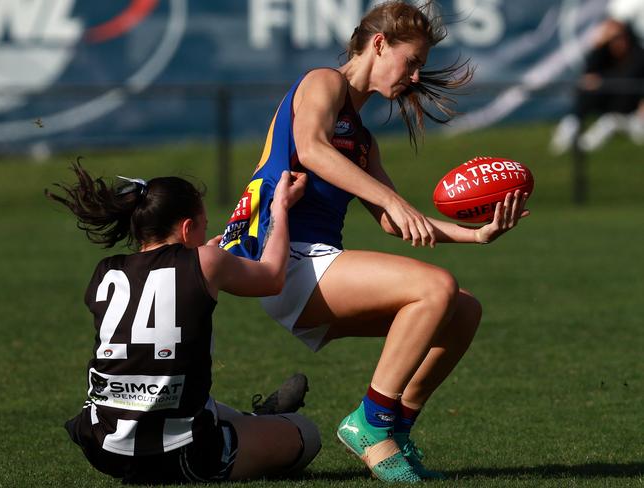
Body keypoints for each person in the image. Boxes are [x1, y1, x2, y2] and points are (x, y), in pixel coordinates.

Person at [219, 1, 530, 483]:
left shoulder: (362, 138)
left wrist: (477, 235)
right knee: (435, 288)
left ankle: (396, 431)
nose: (415, 75)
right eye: (412, 61)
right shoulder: (324, 81)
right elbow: (312, 149)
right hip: (284, 261)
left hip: (316, 263)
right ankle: (370, 423)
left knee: (463, 310)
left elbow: (392, 220)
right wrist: (392, 198)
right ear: (380, 45)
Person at [47, 163, 320, 484]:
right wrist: (280, 207)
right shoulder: (207, 261)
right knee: (306, 433)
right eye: (204, 226)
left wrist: (202, 257)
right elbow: (273, 277)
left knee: (187, 400)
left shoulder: (105, 270)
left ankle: (251, 420)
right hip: (181, 453)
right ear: (188, 228)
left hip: (103, 445)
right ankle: (260, 420)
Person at [550, 16, 644, 154]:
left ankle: (586, 144)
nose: (617, 42)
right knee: (586, 93)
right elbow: (588, 75)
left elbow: (627, 79)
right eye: (612, 38)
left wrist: (601, 81)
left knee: (609, 115)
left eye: (619, 37)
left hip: (631, 109)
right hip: (610, 102)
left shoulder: (638, 55)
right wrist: (598, 46)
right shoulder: (604, 53)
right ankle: (571, 125)